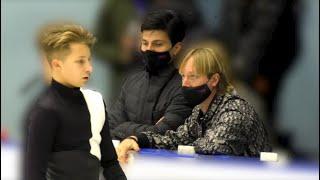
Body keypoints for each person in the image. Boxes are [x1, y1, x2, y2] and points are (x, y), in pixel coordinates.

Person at [117, 48, 272, 163]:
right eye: (183, 76)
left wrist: (176, 144)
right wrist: (137, 140)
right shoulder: (199, 111)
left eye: (193, 76)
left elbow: (210, 147)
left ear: (214, 80)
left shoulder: (235, 111)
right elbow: (176, 139)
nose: (184, 84)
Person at [23, 23, 126, 180]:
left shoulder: (96, 101)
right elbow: (34, 175)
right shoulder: (45, 111)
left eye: (89, 60)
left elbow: (110, 163)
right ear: (57, 65)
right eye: (80, 61)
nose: (89, 68)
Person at [108, 9, 193, 140]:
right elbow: (110, 126)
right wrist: (149, 129)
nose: (148, 49)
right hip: (127, 158)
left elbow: (164, 134)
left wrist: (123, 127)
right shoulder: (132, 82)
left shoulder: (185, 87)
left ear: (176, 48)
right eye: (144, 43)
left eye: (157, 44)